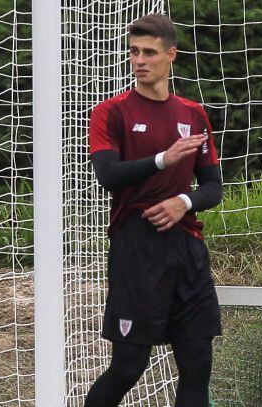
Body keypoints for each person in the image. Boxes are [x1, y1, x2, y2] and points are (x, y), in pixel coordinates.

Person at [85, 14, 223, 407]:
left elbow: (213, 187)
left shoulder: (193, 114)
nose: (139, 60)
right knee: (128, 366)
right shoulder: (111, 111)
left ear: (171, 55)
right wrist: (163, 159)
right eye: (134, 52)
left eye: (149, 52)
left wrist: (184, 202)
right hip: (136, 248)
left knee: (197, 365)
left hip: (187, 248)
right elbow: (108, 175)